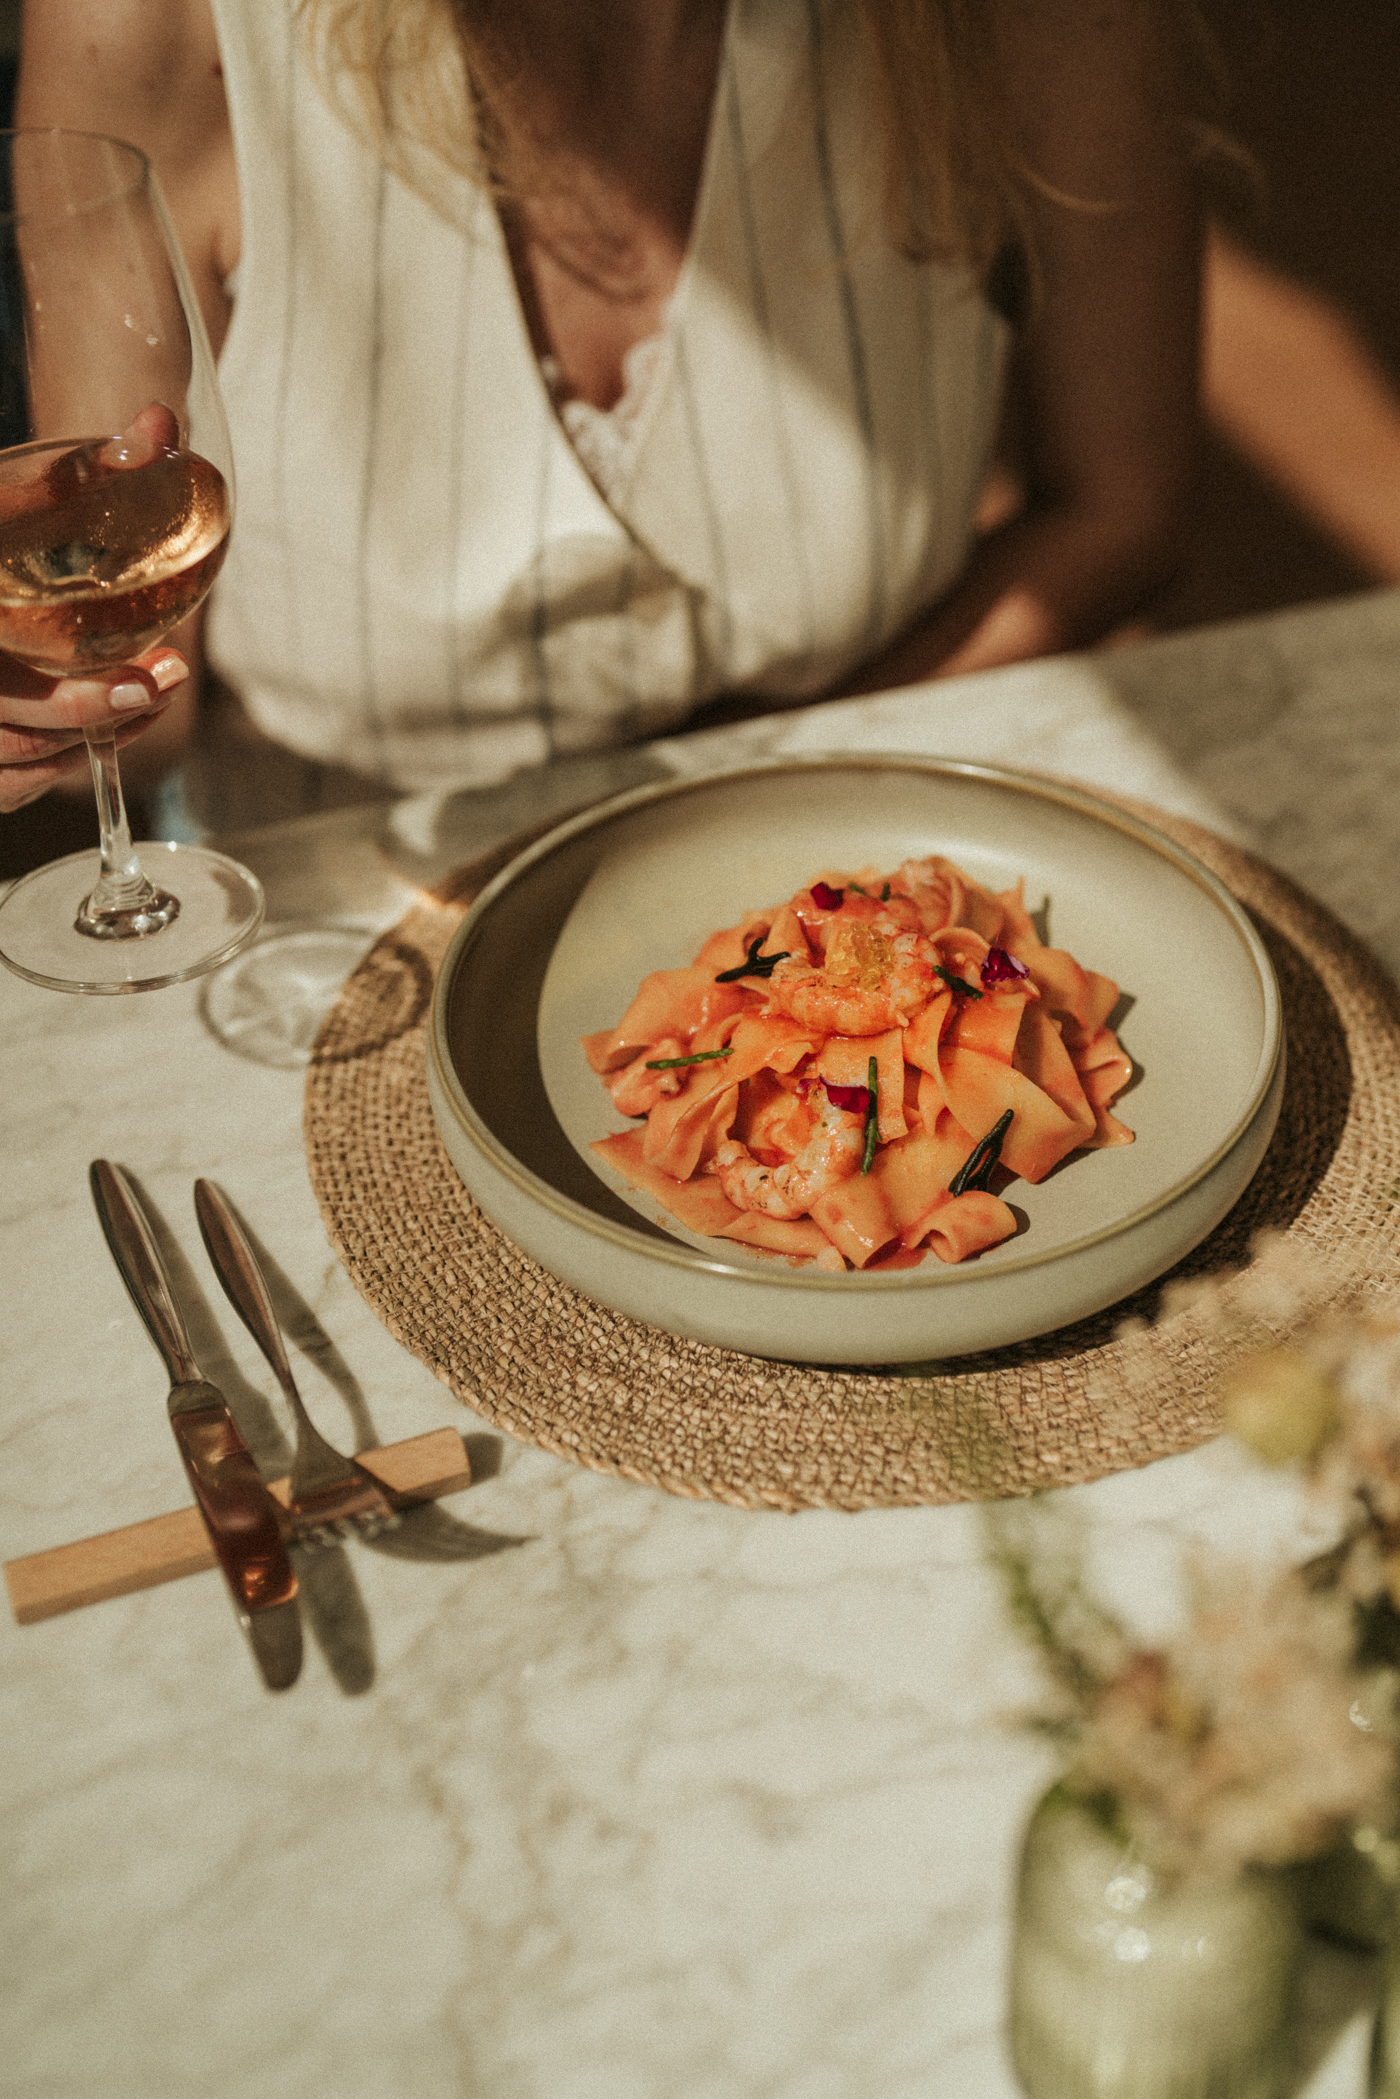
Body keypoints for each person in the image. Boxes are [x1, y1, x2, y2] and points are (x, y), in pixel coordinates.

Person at [1, 0, 1207, 823]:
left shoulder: (1014, 22)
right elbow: (134, 700)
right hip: (332, 932)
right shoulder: (156, 24)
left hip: (836, 857)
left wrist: (754, 791)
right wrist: (44, 717)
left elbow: (1119, 512)